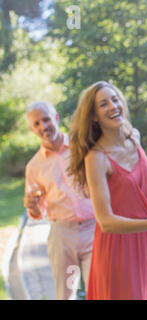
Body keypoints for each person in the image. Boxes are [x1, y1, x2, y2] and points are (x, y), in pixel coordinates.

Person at [67, 81, 147, 300]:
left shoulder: (135, 137)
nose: (113, 106)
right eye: (103, 104)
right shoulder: (96, 158)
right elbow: (106, 222)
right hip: (118, 247)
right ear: (94, 116)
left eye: (115, 99)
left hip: (145, 240)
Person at [24, 101, 96, 300]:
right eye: (36, 124)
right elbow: (36, 213)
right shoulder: (34, 166)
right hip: (62, 235)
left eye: (46, 119)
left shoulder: (81, 147)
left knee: (98, 290)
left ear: (56, 118)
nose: (43, 126)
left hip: (93, 230)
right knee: (66, 294)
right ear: (32, 129)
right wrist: (34, 206)